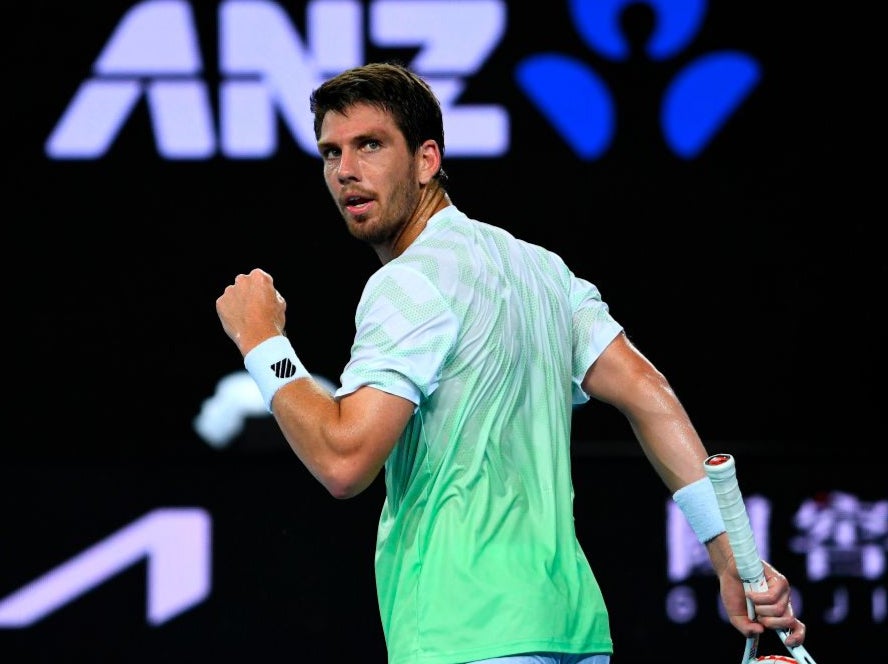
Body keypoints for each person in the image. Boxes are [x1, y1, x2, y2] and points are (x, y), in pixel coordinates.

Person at [215, 61, 807, 664]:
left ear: (426, 160)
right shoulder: (543, 271)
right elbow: (646, 390)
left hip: (466, 635)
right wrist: (728, 549)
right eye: (330, 152)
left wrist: (265, 344)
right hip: (571, 634)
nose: (346, 171)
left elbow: (344, 460)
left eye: (370, 145)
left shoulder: (408, 283)